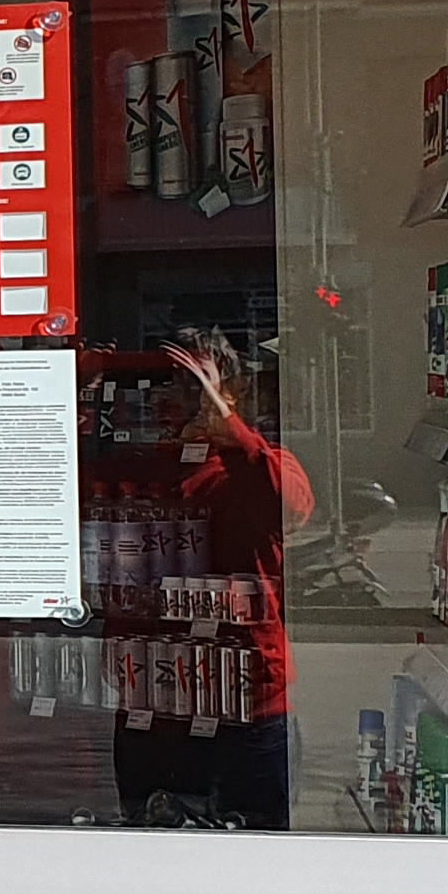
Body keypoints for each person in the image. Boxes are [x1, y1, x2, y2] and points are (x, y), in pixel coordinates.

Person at [113, 332, 311, 828]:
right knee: (144, 847)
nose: (176, 398)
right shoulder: (139, 469)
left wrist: (224, 422)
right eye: (164, 384)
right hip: (155, 698)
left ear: (231, 393)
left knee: (257, 845)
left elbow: (292, 506)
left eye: (191, 383)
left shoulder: (256, 461)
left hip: (246, 703)